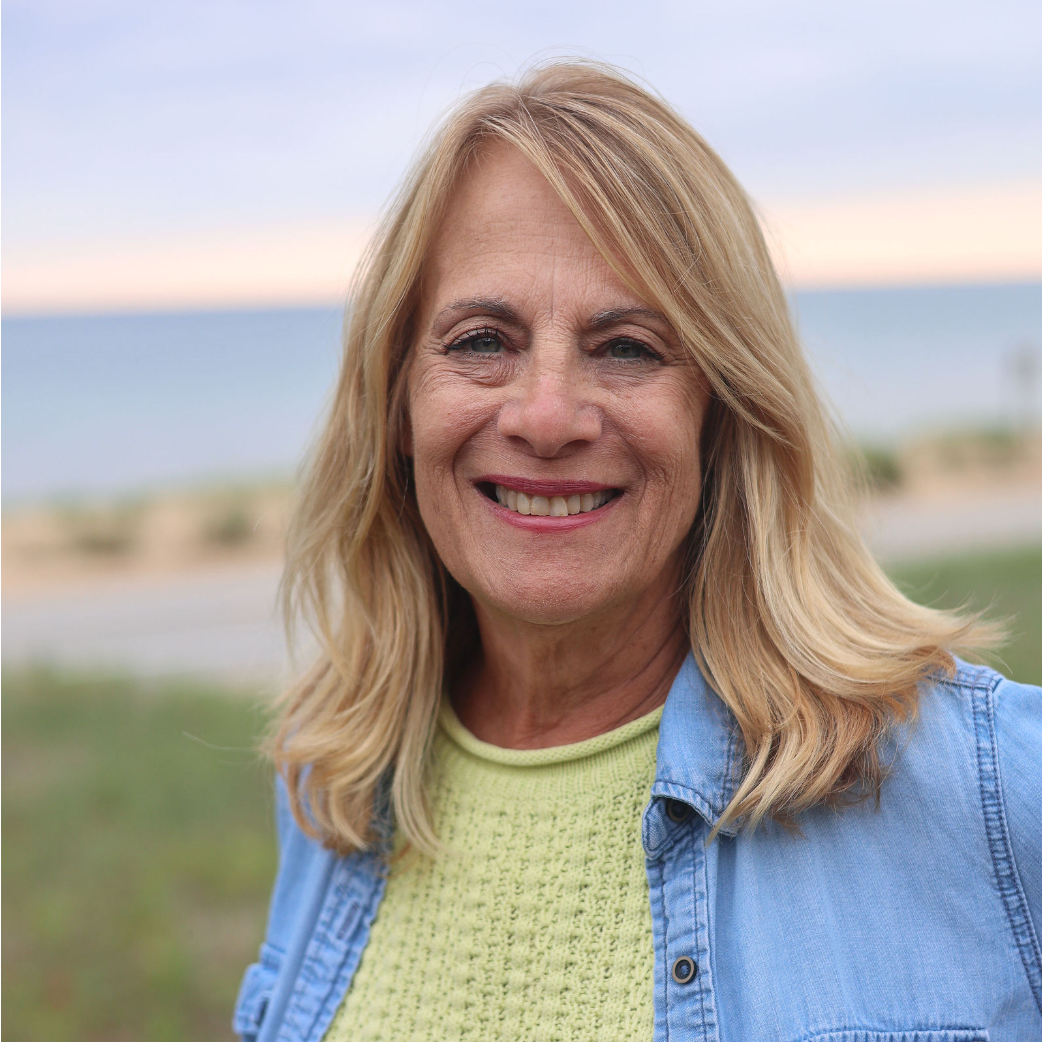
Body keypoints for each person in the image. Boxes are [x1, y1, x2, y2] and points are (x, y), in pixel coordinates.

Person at [235, 61, 1042, 1042]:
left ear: (720, 412)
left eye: (626, 348)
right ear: (398, 402)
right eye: (482, 340)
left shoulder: (986, 790)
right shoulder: (336, 790)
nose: (544, 417)